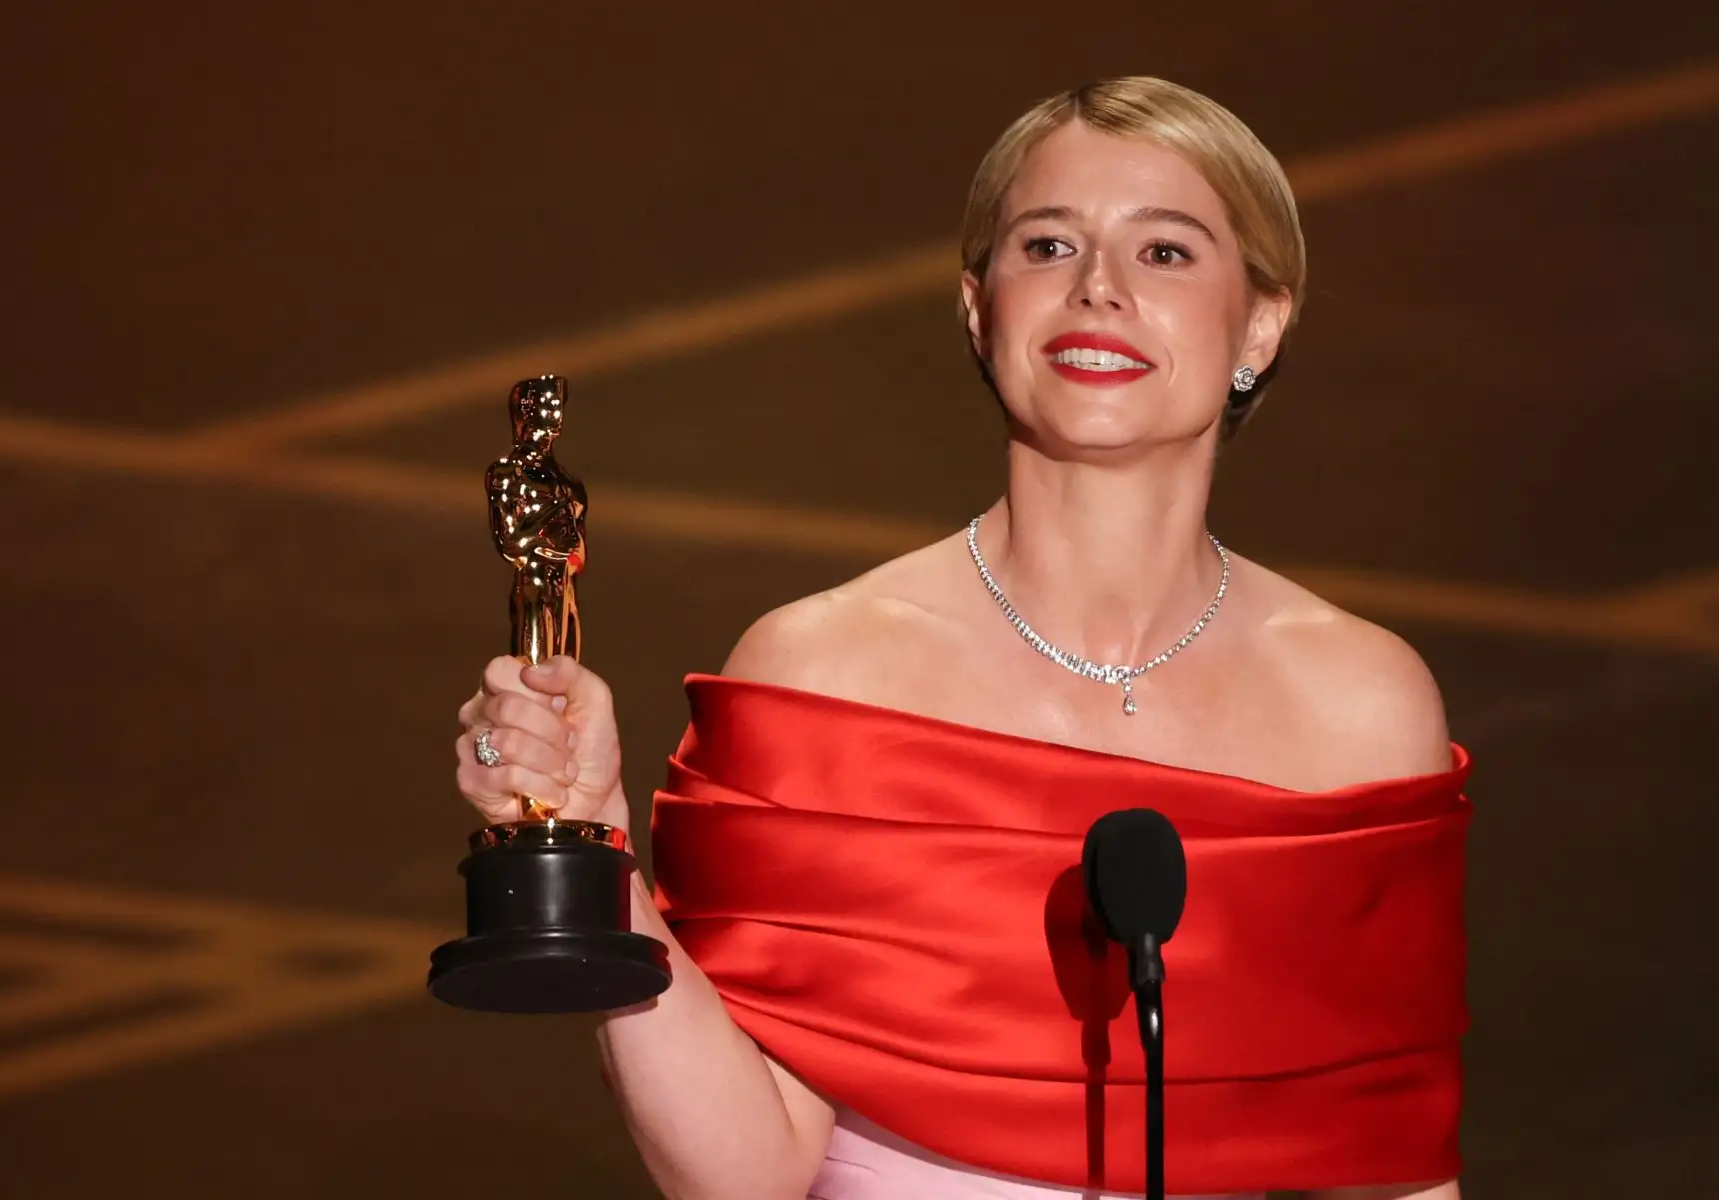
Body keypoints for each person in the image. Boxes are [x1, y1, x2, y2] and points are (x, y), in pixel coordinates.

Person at [455, 76, 1471, 1200]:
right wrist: (594, 851)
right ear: (982, 311)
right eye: (1046, 245)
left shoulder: (1360, 704)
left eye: (1167, 253)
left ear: (1263, 323)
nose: (1099, 289)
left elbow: (1392, 1177)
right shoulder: (824, 681)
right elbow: (740, 1178)